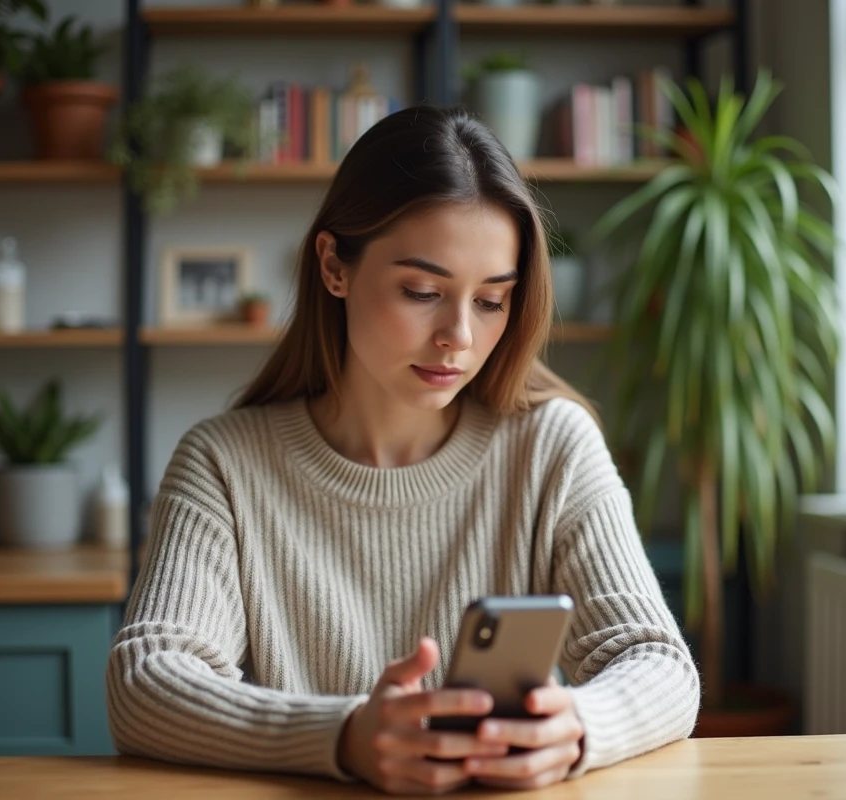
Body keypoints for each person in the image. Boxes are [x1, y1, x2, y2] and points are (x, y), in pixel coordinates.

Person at [106, 105, 700, 795]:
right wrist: (344, 736)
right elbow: (146, 681)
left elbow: (656, 661)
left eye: (491, 301)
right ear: (335, 266)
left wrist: (579, 727)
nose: (460, 337)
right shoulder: (223, 463)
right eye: (423, 291)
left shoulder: (553, 446)